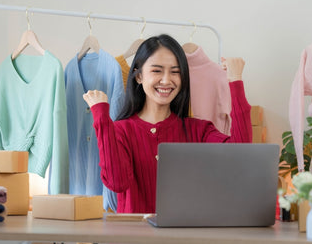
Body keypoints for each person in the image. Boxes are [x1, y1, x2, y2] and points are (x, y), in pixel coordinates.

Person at [83, 34, 252, 213]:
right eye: (157, 71)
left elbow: (240, 158)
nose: (166, 80)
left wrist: (236, 81)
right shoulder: (121, 130)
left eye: (175, 72)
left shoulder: (198, 130)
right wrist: (101, 117)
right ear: (139, 76)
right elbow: (117, 183)